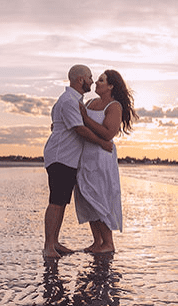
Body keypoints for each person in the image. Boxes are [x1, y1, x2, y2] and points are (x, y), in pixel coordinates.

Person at [43, 64, 113, 259]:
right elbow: (79, 129)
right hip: (60, 157)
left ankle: (54, 242)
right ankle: (48, 246)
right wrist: (102, 143)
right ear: (81, 80)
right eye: (90, 77)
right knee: (56, 202)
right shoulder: (69, 101)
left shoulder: (74, 100)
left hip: (67, 158)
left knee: (61, 202)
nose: (92, 81)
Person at [75, 70, 138, 254]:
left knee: (99, 197)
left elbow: (108, 133)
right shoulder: (90, 102)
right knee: (87, 197)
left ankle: (108, 242)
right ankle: (97, 242)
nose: (96, 83)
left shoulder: (114, 106)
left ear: (110, 86)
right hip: (85, 154)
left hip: (102, 156)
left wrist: (86, 118)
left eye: (101, 80)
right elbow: (77, 124)